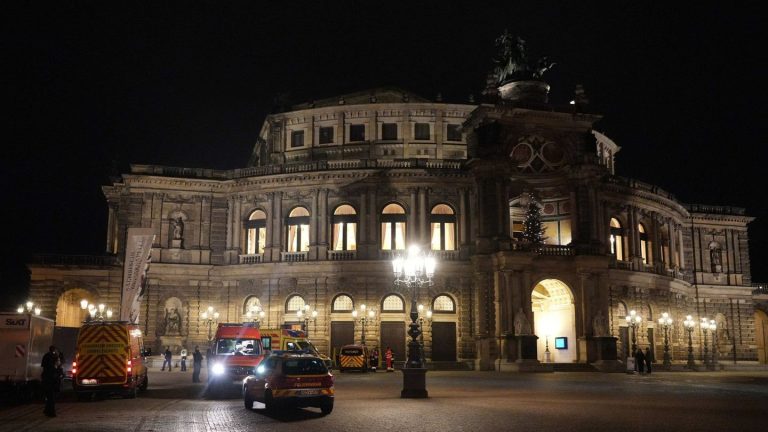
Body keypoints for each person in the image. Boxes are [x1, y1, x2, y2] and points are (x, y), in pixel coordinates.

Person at [41, 345, 59, 417]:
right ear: (54, 350)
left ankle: (47, 410)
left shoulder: (46, 356)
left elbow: (43, 366)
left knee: (49, 396)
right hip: (51, 379)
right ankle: (51, 412)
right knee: (51, 397)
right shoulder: (53, 357)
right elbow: (56, 366)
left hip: (46, 379)